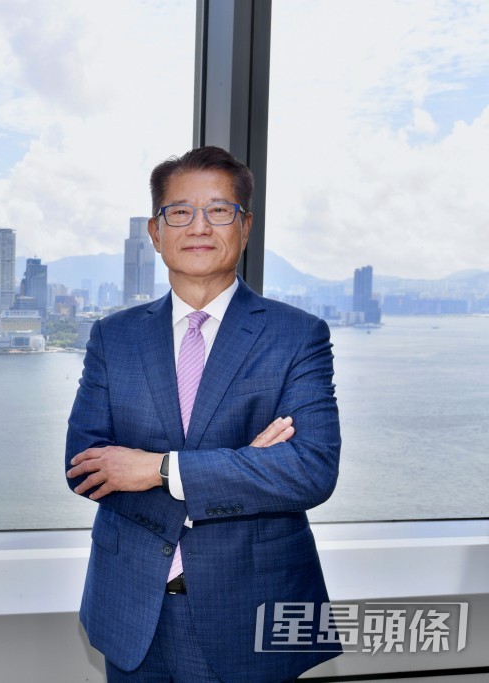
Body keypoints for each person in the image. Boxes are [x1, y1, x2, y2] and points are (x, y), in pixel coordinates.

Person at [66, 146, 341, 682]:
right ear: (155, 231)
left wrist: (160, 470)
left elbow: (310, 470)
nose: (198, 226)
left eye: (218, 210)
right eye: (179, 211)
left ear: (245, 226)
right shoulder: (113, 337)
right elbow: (86, 468)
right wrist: (243, 467)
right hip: (130, 607)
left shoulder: (297, 335)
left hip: (251, 608)